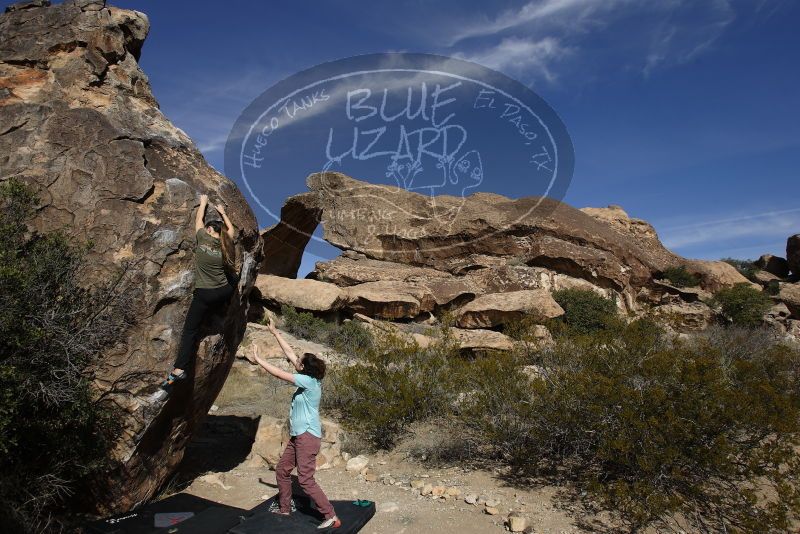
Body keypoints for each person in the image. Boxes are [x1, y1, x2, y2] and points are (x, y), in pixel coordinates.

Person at [248, 317, 341, 530]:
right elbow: (290, 353)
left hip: (308, 436)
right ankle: (285, 508)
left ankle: (331, 516)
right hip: (299, 435)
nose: (295, 360)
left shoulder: (308, 382)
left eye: (299, 361)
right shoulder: (309, 377)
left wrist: (258, 359)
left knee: (306, 480)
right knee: (282, 470)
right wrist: (274, 332)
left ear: (303, 368)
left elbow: (279, 373)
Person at [152, 194, 236, 402]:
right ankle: (222, 308)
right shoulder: (225, 244)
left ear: (209, 230)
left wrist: (204, 203)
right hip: (223, 292)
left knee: (190, 331)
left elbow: (198, 220)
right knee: (232, 279)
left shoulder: (202, 238)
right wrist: (223, 213)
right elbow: (231, 230)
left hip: (205, 295)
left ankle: (180, 369)